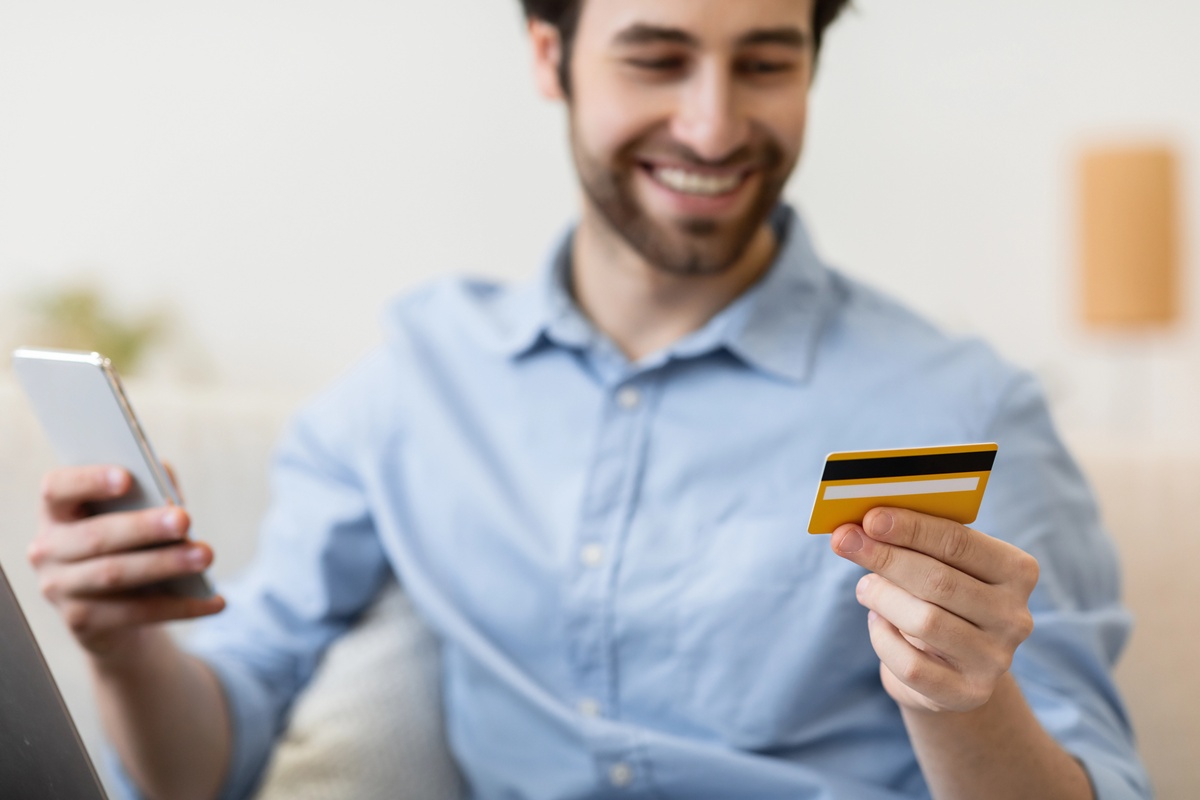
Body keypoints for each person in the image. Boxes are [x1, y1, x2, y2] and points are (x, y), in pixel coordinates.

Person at [29, 1, 1150, 798]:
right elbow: (203, 766)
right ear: (548, 53)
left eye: (764, 63)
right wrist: (125, 646)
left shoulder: (959, 404)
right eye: (655, 59)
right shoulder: (420, 378)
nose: (712, 126)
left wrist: (967, 699)